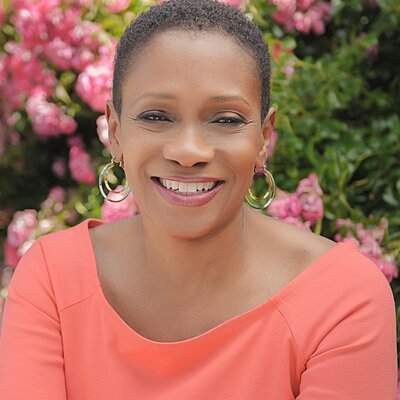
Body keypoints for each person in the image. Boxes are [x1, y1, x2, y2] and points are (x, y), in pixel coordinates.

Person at [0, 0, 397, 398]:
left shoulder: (342, 299)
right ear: (116, 133)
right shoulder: (54, 279)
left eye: (225, 120)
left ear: (264, 137)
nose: (188, 150)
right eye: (157, 116)